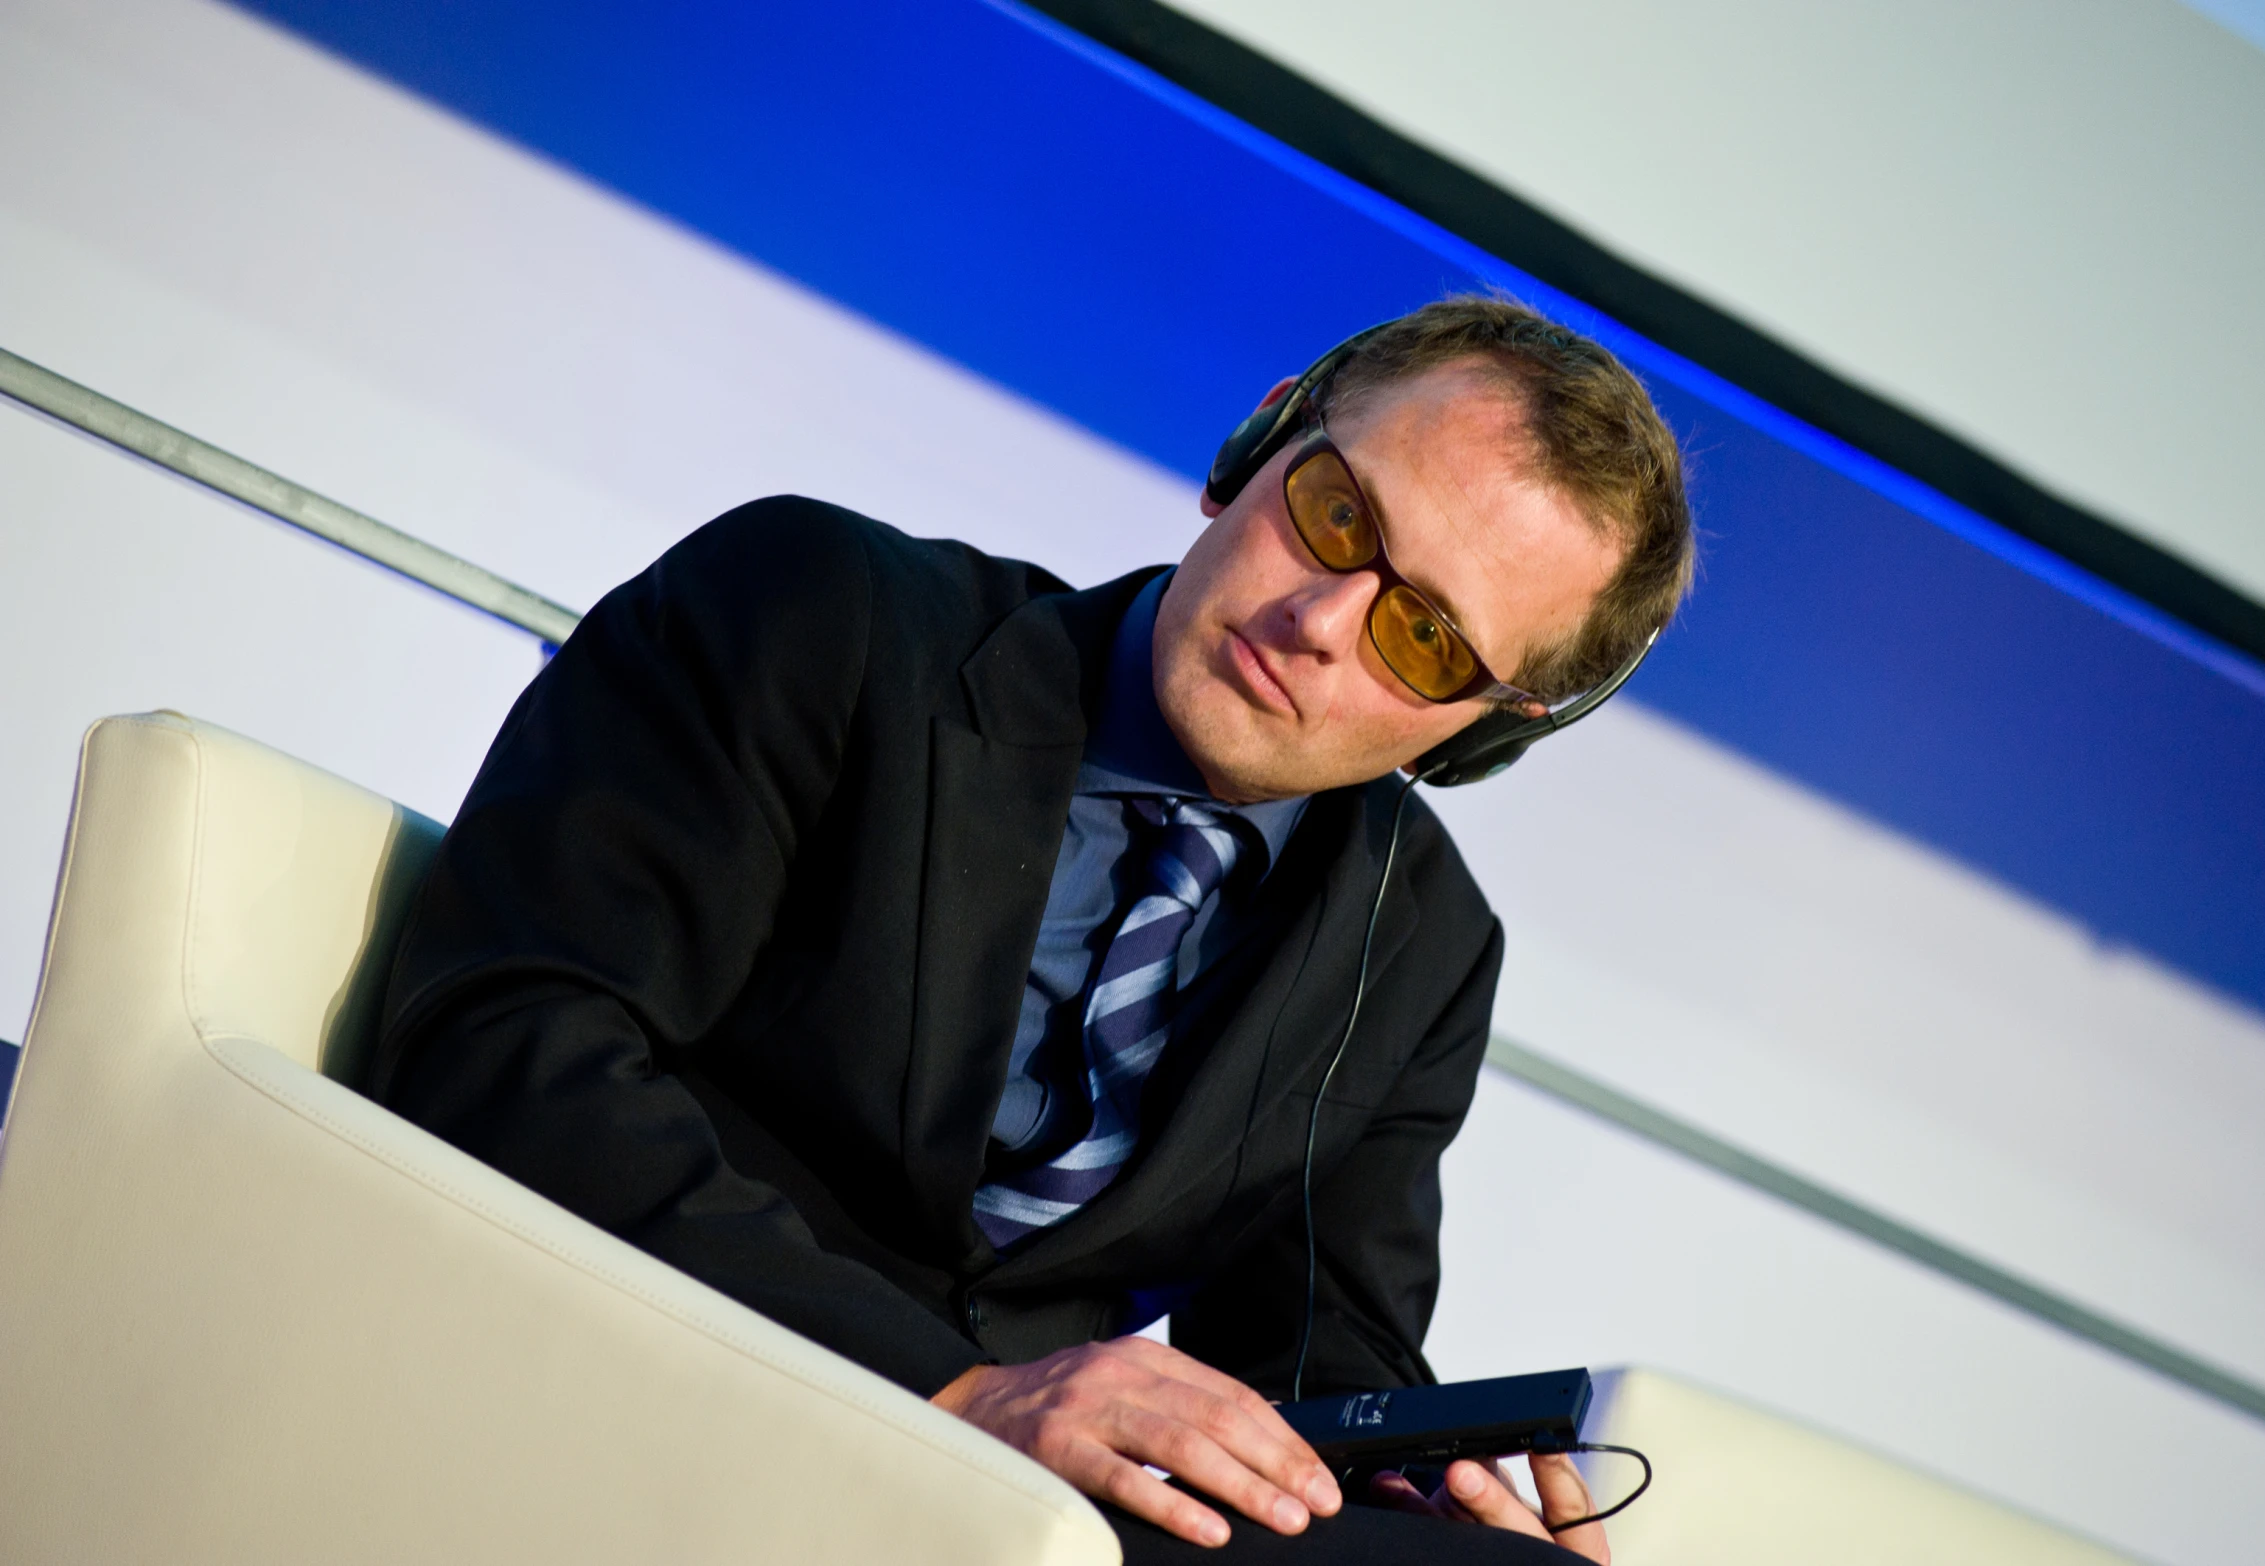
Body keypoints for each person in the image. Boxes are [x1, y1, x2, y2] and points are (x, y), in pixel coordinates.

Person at [374, 295, 1694, 1562]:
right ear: (1258, 446)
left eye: (1424, 640)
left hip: (1041, 1529)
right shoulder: (817, 608)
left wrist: (1419, 1500)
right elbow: (505, 1041)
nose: (1316, 623)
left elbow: (1312, 1367)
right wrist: (954, 1390)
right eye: (1336, 514)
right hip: (656, 1381)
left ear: (1478, 736)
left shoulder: (1423, 949)